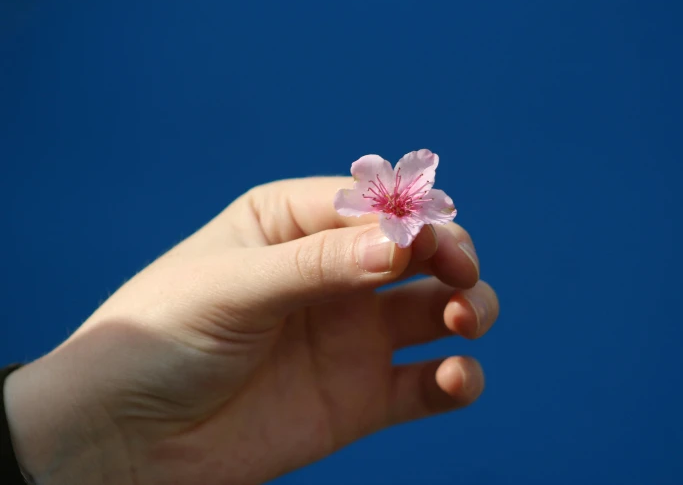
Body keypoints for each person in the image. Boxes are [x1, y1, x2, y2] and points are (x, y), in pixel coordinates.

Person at [1, 177, 499, 484]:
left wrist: (66, 442)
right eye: (390, 196)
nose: (393, 201)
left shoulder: (416, 208)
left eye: (399, 198)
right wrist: (84, 432)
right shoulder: (373, 209)